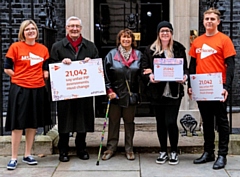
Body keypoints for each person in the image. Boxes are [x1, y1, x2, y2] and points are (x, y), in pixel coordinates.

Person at [188, 8, 236, 170]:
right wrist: (190, 85)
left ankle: (222, 154)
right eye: (206, 19)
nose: (209, 21)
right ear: (203, 21)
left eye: (212, 19)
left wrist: (226, 86)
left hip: (218, 87)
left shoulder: (224, 40)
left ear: (218, 22)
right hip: (202, 87)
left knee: (221, 122)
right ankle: (209, 152)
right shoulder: (197, 41)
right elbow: (192, 65)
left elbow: (231, 66)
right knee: (206, 121)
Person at [49, 16, 99, 162]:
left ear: (81, 28)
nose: (74, 29)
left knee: (83, 120)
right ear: (67, 28)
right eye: (71, 26)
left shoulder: (90, 46)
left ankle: (81, 148)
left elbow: (97, 67)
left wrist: (91, 63)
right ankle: (63, 149)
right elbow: (51, 66)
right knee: (65, 120)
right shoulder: (57, 47)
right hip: (66, 91)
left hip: (84, 91)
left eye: (77, 26)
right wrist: (61, 63)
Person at [4, 20, 50, 170]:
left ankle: (28, 154)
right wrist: (18, 77)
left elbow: (45, 68)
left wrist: (46, 73)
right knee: (17, 124)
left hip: (38, 89)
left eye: (33, 29)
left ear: (37, 32)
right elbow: (7, 68)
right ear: (23, 32)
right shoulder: (15, 47)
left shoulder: (43, 49)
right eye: (27, 29)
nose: (31, 31)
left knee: (32, 123)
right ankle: (13, 157)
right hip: (20, 89)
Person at [141, 21, 188, 165]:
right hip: (157, 93)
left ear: (171, 33)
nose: (165, 33)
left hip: (174, 92)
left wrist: (184, 76)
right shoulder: (150, 50)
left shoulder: (179, 48)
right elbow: (143, 68)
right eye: (162, 31)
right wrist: (149, 76)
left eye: (168, 30)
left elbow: (185, 68)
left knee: (171, 122)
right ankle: (163, 151)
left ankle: (173, 151)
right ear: (158, 34)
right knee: (160, 123)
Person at [102, 28, 142, 161]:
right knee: (113, 122)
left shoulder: (139, 55)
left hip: (131, 96)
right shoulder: (111, 55)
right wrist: (109, 91)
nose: (126, 40)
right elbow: (105, 75)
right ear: (119, 40)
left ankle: (129, 148)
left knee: (129, 122)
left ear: (132, 40)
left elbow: (142, 76)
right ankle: (110, 148)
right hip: (115, 95)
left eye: (129, 37)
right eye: (123, 37)